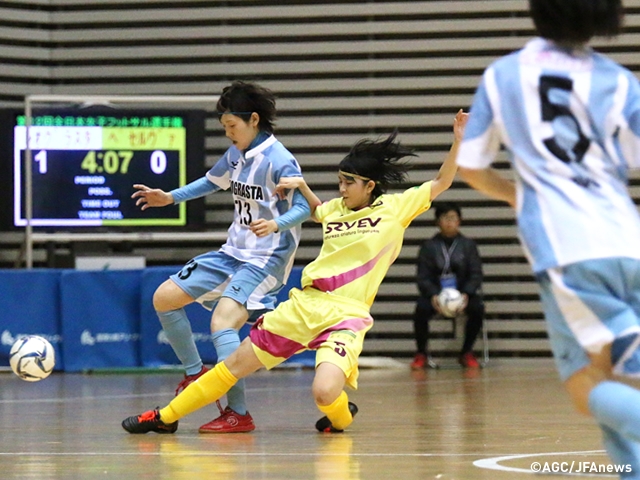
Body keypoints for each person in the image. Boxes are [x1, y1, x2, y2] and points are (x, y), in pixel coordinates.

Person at [121, 109, 468, 435]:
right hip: (303, 306)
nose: (342, 188)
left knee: (324, 391)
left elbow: (442, 180)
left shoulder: (396, 208)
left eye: (348, 183)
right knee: (233, 366)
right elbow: (317, 210)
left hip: (345, 317)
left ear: (370, 186)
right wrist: (299, 187)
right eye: (339, 181)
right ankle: (164, 418)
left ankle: (340, 418)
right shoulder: (335, 209)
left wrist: (458, 140)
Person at [456, 0, 640, 476]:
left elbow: (472, 166)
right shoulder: (619, 80)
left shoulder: (505, 74)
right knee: (616, 377)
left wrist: (522, 195)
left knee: (585, 387)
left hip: (568, 247)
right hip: (628, 241)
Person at [130, 80, 311, 433]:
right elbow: (212, 181)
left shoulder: (280, 160)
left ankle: (237, 412)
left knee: (222, 323)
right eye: (225, 127)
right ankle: (196, 373)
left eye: (232, 126)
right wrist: (170, 197)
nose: (228, 133)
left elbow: (305, 207)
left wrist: (276, 224)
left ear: (254, 120)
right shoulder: (236, 154)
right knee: (164, 298)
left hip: (266, 258)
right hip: (233, 251)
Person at [410, 201, 484, 370]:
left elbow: (476, 274)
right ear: (438, 221)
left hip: (462, 295)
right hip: (436, 295)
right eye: (445, 218)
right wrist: (433, 295)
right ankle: (421, 353)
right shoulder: (428, 247)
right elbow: (423, 277)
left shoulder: (468, 246)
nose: (449, 222)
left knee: (477, 308)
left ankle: (467, 352)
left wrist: (466, 293)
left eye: (453, 218)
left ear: (459, 221)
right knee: (420, 309)